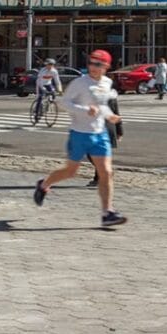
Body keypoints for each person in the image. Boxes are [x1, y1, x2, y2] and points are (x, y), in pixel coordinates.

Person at [32, 49, 127, 228]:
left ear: (106, 66)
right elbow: (64, 102)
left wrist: (110, 116)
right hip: (79, 134)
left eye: (98, 64)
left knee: (106, 172)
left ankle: (108, 212)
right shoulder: (79, 83)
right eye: (91, 63)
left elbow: (101, 105)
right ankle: (44, 184)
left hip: (100, 134)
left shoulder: (107, 82)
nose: (93, 67)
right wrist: (85, 111)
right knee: (70, 171)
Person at [87, 87, 123, 186]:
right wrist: (120, 130)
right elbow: (117, 113)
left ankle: (104, 173)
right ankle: (98, 178)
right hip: (109, 128)